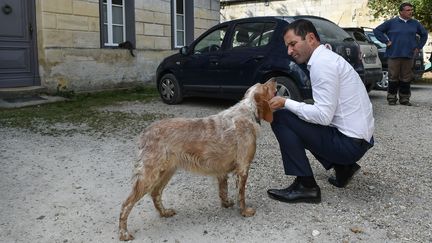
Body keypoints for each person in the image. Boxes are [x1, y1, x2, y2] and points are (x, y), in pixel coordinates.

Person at [266, 19, 375, 203]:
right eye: (287, 46)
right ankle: (343, 168)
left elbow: (323, 117)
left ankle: (306, 186)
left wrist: (285, 102)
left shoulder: (322, 64)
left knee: (282, 117)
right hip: (360, 139)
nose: (289, 51)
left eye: (293, 44)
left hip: (350, 145)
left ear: (310, 38)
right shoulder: (327, 57)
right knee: (301, 115)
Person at [373, 2, 428, 106]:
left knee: (406, 78)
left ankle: (404, 99)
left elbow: (424, 35)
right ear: (401, 11)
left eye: (411, 10)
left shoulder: (415, 23)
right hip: (393, 54)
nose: (410, 12)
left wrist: (418, 47)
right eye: (408, 10)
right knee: (393, 77)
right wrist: (386, 41)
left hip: (409, 54)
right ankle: (391, 98)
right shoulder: (391, 22)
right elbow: (377, 31)